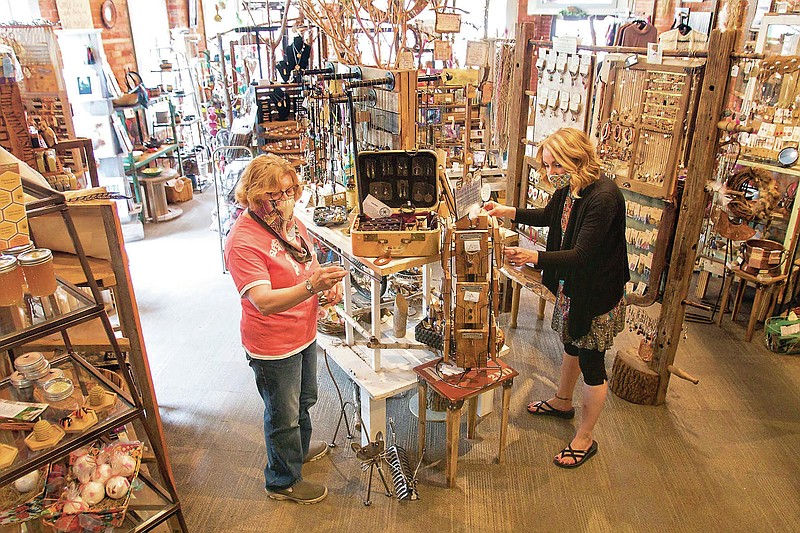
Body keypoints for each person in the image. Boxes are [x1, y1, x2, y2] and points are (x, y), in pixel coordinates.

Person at [485, 128, 629, 468]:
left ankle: (586, 437)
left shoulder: (603, 197)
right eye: (547, 166)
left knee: (592, 361)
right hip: (574, 287)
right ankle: (563, 401)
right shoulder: (572, 188)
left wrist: (532, 257)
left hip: (596, 293)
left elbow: (582, 255)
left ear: (577, 160)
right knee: (570, 343)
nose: (550, 174)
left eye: (556, 166)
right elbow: (550, 217)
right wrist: (505, 210)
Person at [224, 154, 348, 503]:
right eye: (280, 193)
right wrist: (312, 287)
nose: (289, 198)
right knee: (282, 415)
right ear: (256, 196)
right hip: (273, 343)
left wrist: (324, 287)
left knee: (305, 399)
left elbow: (306, 262)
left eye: (292, 189)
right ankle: (282, 480)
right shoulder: (243, 240)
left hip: (303, 331)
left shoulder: (288, 222)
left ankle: (297, 451)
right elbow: (262, 300)